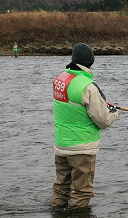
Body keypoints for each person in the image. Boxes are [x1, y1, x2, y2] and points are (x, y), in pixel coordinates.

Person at [51, 43, 119, 211]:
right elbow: (103, 120)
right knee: (82, 192)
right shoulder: (88, 86)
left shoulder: (60, 79)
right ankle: (79, 214)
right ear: (91, 61)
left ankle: (56, 212)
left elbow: (73, 104)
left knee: (61, 187)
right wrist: (114, 112)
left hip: (61, 145)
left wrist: (99, 103)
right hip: (82, 147)